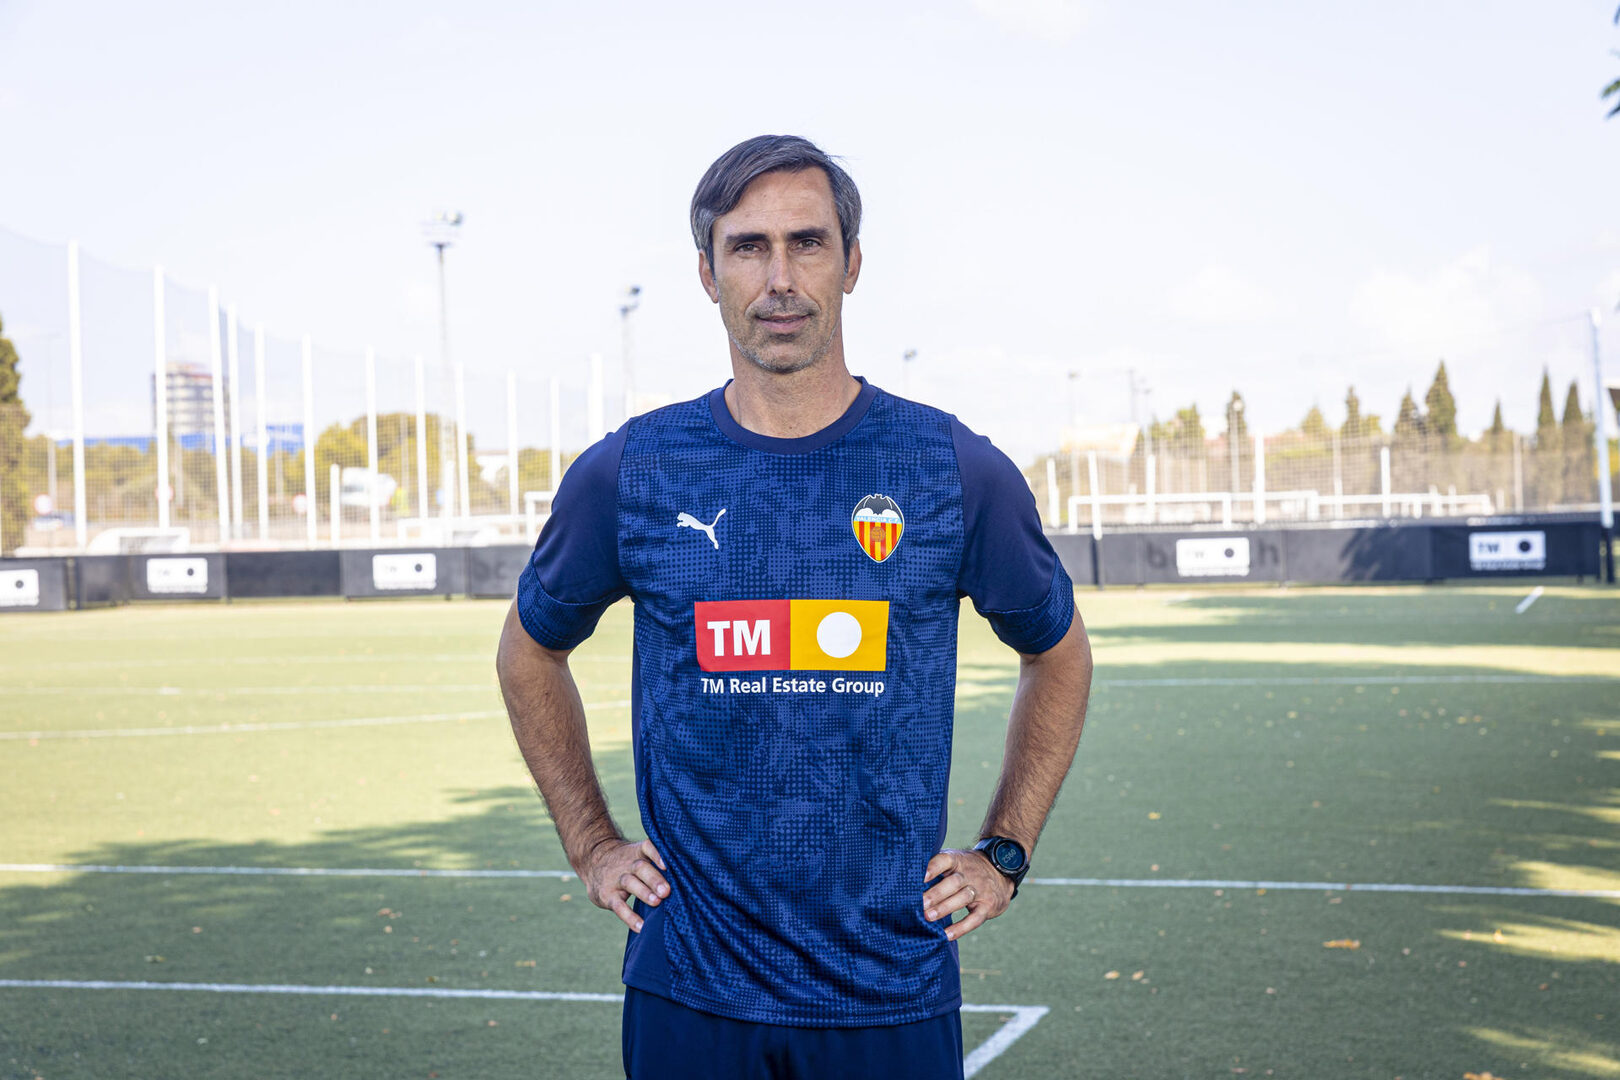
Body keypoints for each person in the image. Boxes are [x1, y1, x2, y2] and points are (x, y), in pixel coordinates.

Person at [496, 134, 1093, 1079]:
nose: (780, 279)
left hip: (889, 988)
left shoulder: (952, 469)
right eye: (748, 247)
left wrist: (1004, 850)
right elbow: (529, 651)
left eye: (807, 243)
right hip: (690, 989)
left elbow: (1057, 653)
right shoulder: (634, 470)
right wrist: (593, 843)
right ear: (707, 273)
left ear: (851, 264)